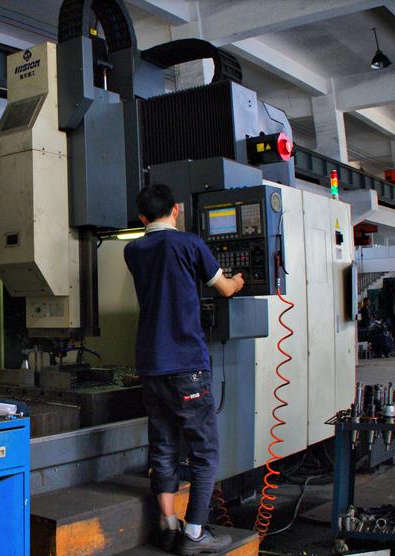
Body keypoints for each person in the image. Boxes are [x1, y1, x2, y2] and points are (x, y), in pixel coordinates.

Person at [124, 184, 245, 555]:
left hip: (151, 364)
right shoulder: (190, 244)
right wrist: (238, 280)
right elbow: (224, 289)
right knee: (205, 452)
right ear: (176, 209)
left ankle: (168, 525)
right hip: (187, 363)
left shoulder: (132, 250)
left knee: (163, 446)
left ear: (142, 218)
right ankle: (193, 534)